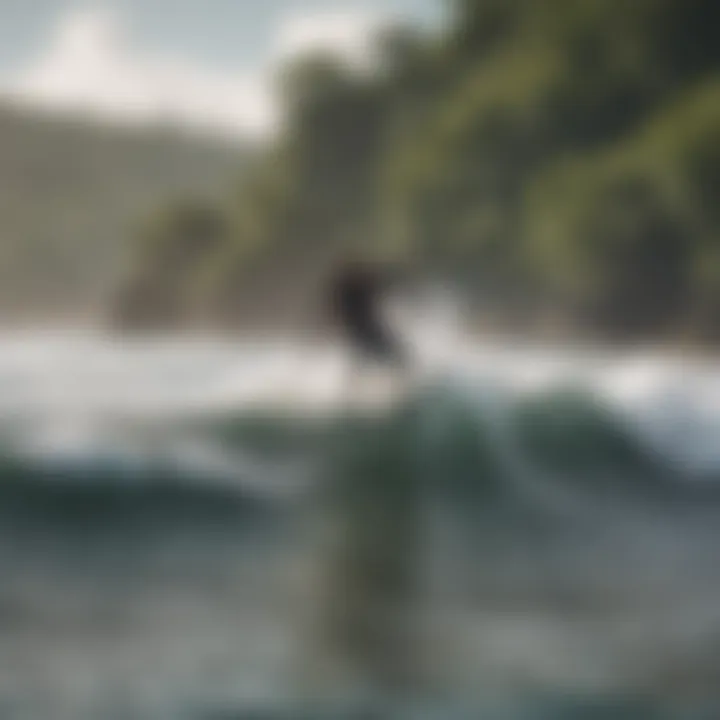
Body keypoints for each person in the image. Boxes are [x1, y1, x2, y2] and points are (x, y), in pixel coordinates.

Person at [327, 258, 407, 368]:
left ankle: (395, 364)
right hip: (362, 325)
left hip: (362, 325)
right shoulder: (354, 288)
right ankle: (396, 364)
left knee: (371, 349)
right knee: (373, 348)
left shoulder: (352, 288)